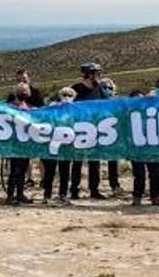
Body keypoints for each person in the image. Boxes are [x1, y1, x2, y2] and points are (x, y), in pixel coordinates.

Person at [70, 63, 111, 199]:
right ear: (90, 74)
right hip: (79, 130)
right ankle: (74, 190)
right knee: (77, 162)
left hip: (95, 129)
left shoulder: (98, 89)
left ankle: (94, 189)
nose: (99, 76)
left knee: (95, 161)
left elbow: (109, 102)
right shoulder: (76, 89)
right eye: (97, 74)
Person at [7, 69, 44, 186]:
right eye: (19, 80)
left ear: (29, 79)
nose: (21, 81)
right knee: (23, 156)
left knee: (41, 155)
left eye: (24, 79)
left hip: (35, 128)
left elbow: (43, 110)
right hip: (20, 131)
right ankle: (29, 179)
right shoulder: (12, 96)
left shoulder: (36, 93)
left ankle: (43, 179)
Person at [41, 87, 76, 205]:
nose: (67, 97)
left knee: (65, 170)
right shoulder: (53, 106)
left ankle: (63, 194)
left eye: (70, 95)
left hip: (67, 144)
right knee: (50, 169)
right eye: (65, 94)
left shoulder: (76, 110)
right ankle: (47, 193)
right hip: (53, 143)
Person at [6, 82, 33, 206]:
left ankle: (20, 194)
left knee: (22, 170)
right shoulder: (9, 107)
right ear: (17, 92)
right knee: (14, 170)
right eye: (22, 91)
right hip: (14, 144)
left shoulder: (27, 107)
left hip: (25, 144)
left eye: (26, 91)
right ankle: (10, 195)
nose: (24, 93)